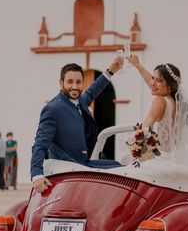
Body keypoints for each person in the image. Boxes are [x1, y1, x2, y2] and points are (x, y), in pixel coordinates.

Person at [31, 58, 123, 194]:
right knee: (120, 172)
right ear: (61, 83)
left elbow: (92, 91)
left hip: (84, 163)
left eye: (78, 82)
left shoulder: (79, 101)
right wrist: (37, 175)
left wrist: (110, 71)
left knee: (121, 167)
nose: (75, 86)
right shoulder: (53, 109)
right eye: (70, 82)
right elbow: (40, 144)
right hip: (70, 169)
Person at [128, 55, 188, 155]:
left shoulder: (160, 101)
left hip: (159, 158)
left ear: (169, 86)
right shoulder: (176, 102)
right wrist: (137, 65)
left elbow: (144, 131)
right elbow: (154, 85)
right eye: (153, 78)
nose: (152, 83)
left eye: (158, 80)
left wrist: (132, 144)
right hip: (174, 158)